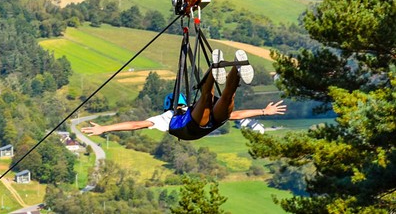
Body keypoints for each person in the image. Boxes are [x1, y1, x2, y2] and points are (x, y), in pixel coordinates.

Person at [81, 49, 287, 140]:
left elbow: (236, 114)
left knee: (225, 98)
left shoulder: (168, 116)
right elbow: (135, 125)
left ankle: (237, 68)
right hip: (192, 126)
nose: (180, 106)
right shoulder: (165, 118)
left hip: (200, 125)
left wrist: (263, 111)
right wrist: (105, 128)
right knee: (212, 99)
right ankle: (219, 71)